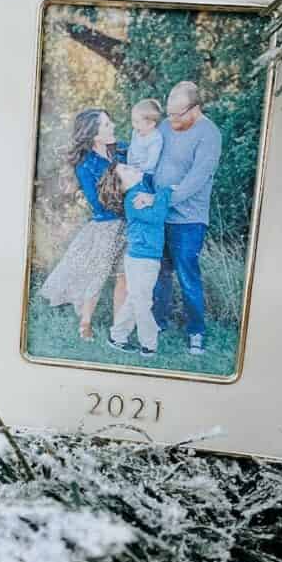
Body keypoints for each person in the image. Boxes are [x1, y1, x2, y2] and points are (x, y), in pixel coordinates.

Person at [135, 80, 221, 356]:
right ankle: (159, 322)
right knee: (159, 273)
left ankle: (196, 331)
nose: (170, 120)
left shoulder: (209, 134)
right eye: (168, 114)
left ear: (194, 109)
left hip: (189, 220)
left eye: (176, 115)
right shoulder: (165, 126)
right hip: (159, 215)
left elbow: (196, 180)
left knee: (187, 276)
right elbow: (147, 151)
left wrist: (160, 199)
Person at [39, 108, 128, 342]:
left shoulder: (122, 150)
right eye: (107, 125)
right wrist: (126, 193)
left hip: (132, 225)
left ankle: (119, 328)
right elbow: (98, 203)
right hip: (106, 226)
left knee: (124, 275)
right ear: (94, 133)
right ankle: (85, 323)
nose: (113, 127)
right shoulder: (86, 164)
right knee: (95, 276)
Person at [97, 163, 172, 358]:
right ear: (122, 186)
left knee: (135, 299)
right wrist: (165, 192)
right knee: (142, 302)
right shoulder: (133, 198)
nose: (132, 168)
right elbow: (158, 216)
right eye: (127, 171)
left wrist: (155, 196)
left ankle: (117, 336)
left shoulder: (141, 189)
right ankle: (149, 344)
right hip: (142, 259)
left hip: (143, 257)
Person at [126, 98, 163, 179]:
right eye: (133, 121)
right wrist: (129, 165)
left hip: (146, 173)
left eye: (137, 122)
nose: (133, 125)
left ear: (151, 124)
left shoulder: (155, 139)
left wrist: (138, 169)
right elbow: (131, 149)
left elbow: (151, 163)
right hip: (133, 168)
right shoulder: (136, 132)